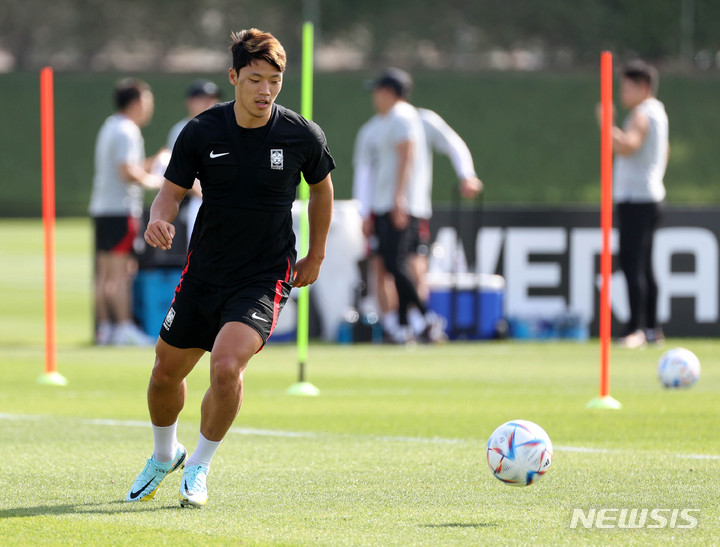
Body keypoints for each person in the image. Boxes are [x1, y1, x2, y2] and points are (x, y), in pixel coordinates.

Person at [126, 28, 335, 508]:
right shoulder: (200, 131)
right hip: (205, 272)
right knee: (164, 374)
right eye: (256, 79)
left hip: (263, 276)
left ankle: (199, 464)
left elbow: (322, 190)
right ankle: (165, 454)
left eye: (275, 81)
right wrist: (159, 220)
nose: (266, 91)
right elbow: (169, 194)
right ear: (234, 77)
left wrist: (317, 254)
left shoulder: (301, 134)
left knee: (225, 367)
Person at [353, 68, 482, 343]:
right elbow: (364, 173)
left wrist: (466, 174)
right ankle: (399, 324)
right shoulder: (373, 129)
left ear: (389, 92)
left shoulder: (412, 119)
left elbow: (451, 144)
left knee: (407, 265)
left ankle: (417, 320)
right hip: (382, 207)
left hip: (406, 207)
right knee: (385, 265)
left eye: (377, 91)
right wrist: (364, 211)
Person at [89, 78, 163, 346]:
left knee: (105, 274)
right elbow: (128, 172)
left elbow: (129, 165)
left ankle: (105, 329)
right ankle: (123, 328)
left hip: (103, 209)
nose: (148, 107)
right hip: (121, 211)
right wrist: (157, 182)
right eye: (147, 101)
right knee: (121, 274)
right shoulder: (127, 130)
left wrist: (153, 162)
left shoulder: (111, 126)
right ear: (135, 102)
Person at [610, 60, 669, 348]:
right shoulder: (659, 112)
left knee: (632, 263)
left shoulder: (642, 114)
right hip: (653, 196)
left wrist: (605, 125)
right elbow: (665, 151)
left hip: (636, 199)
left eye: (627, 87)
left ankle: (635, 329)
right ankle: (652, 328)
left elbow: (627, 145)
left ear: (643, 87)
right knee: (645, 265)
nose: (622, 92)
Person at [166, 80, 222, 245]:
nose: (209, 103)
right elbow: (179, 174)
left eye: (213, 99)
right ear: (190, 102)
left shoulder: (221, 129)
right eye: (203, 98)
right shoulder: (181, 129)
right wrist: (205, 196)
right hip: (192, 202)